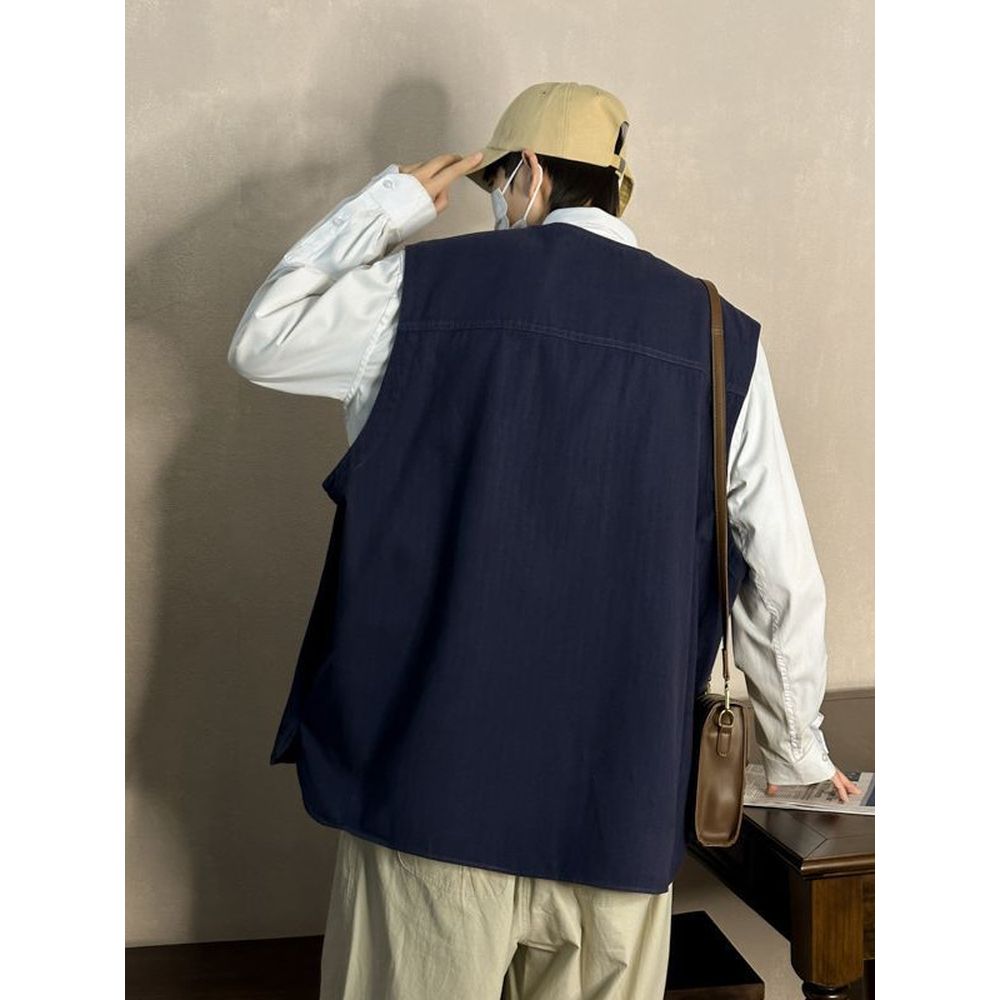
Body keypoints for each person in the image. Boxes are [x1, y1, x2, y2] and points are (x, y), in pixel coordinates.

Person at [228, 81, 860, 1000]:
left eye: (496, 183)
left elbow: (264, 338)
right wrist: (798, 755)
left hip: (429, 806)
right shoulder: (721, 334)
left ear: (524, 173)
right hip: (618, 825)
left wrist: (389, 206)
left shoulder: (421, 292)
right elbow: (781, 575)